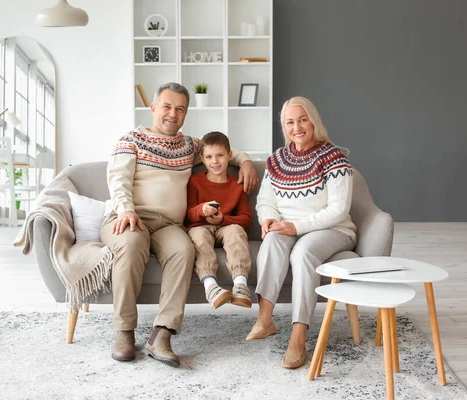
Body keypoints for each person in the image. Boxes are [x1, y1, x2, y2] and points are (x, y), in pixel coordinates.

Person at [100, 82, 259, 368]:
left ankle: (162, 334)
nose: (173, 114)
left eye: (180, 109)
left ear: (185, 114)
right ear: (153, 108)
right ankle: (124, 331)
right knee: (132, 243)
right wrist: (126, 209)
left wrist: (246, 162)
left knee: (184, 250)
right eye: (167, 107)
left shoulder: (189, 145)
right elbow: (118, 179)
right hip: (129, 217)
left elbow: (224, 150)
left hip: (169, 225)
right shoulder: (131, 139)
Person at [247, 96, 356, 370]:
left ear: (313, 121)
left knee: (304, 253)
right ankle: (265, 319)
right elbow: (266, 201)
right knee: (271, 240)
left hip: (332, 228)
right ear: (284, 127)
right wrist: (269, 219)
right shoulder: (277, 160)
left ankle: (299, 336)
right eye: (290, 122)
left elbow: (339, 210)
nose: (297, 127)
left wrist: (296, 226)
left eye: (302, 119)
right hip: (288, 226)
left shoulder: (333, 158)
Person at [185, 131, 253, 310]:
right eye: (209, 157)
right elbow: (188, 214)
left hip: (226, 225)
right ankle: (211, 287)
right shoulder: (194, 182)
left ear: (230, 156)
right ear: (202, 159)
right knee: (198, 236)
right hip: (200, 226)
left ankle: (240, 285)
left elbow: (246, 219)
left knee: (236, 231)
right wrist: (201, 210)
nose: (215, 161)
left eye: (220, 155)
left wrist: (224, 219)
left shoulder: (236, 186)